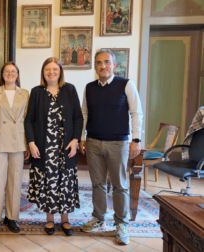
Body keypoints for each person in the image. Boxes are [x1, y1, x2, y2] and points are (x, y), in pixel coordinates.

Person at [79, 49, 143, 245]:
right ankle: (98, 218)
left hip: (118, 143)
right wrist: (82, 137)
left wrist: (136, 139)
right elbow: (84, 114)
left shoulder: (126, 84)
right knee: (97, 184)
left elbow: (136, 112)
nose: (103, 66)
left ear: (114, 65)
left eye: (107, 62)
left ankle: (121, 224)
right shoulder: (89, 87)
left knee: (120, 185)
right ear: (95, 66)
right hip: (93, 142)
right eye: (99, 63)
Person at [24, 57, 83, 236]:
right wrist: (31, 142)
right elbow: (29, 119)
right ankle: (50, 219)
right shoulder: (36, 92)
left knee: (64, 181)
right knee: (48, 181)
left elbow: (78, 117)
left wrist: (75, 139)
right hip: (44, 146)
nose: (51, 72)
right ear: (43, 72)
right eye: (48, 69)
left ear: (60, 71)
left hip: (65, 147)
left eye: (55, 69)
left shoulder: (70, 89)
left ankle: (65, 220)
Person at [0, 62, 29, 233]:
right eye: (7, 71)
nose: (10, 74)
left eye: (13, 71)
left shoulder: (25, 94)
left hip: (18, 142)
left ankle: (12, 217)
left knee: (15, 181)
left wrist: (27, 143)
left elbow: (27, 120)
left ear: (17, 74)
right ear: (2, 74)